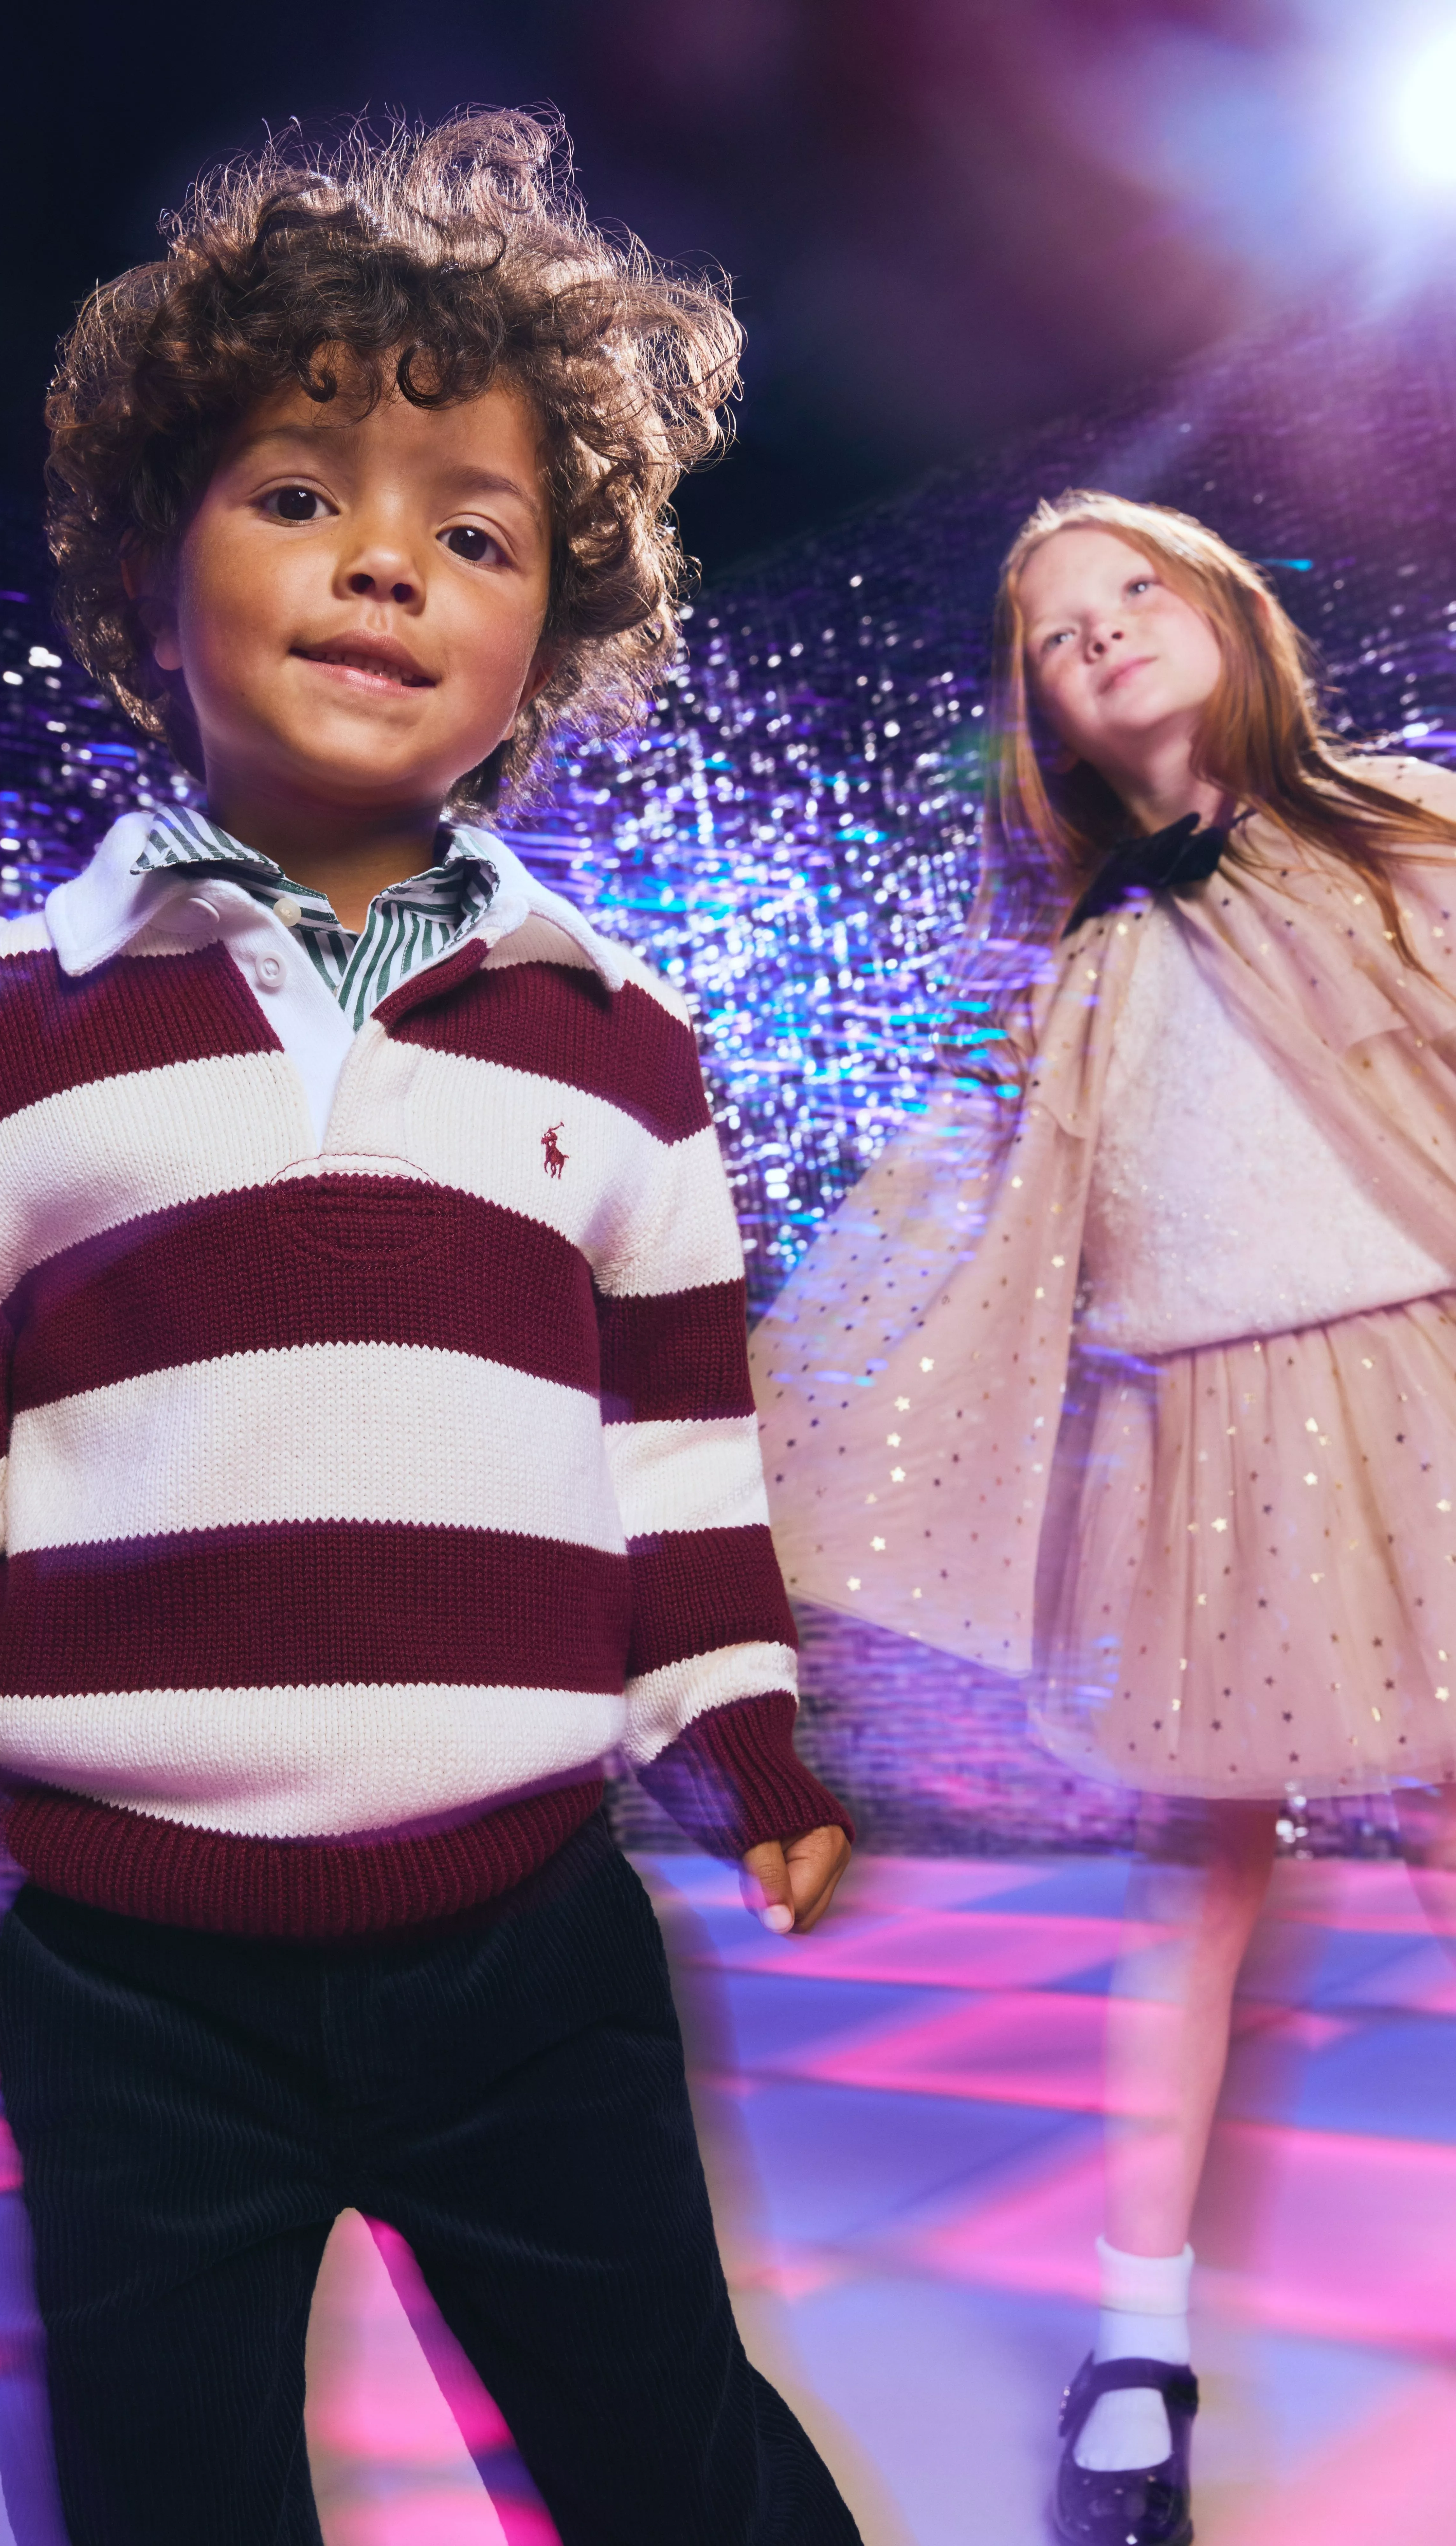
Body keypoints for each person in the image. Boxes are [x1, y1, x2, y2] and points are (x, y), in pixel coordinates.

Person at [0, 111, 859, 2546]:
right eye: (297, 493)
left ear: (541, 649)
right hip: (128, 1982)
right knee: (166, 2492)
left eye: (474, 531)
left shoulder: (617, 1041)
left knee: (669, 2447)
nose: (387, 557)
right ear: (150, 581)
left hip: (529, 1934)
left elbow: (673, 1442)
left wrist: (745, 1733)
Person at [750, 485, 1456, 2546]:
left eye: (1135, 592)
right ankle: (1134, 2346)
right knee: (1198, 1873)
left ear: (1230, 615)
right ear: (1037, 711)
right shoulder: (1075, 957)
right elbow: (994, 1227)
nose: (1103, 634)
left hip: (1422, 1383)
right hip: (1203, 1444)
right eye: (1060, 631)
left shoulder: (1404, 824)